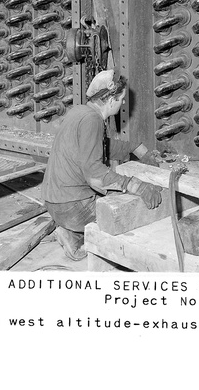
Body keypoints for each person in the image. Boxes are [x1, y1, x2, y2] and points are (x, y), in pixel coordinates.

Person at [41, 69, 162, 261]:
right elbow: (95, 175)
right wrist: (137, 186)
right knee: (131, 211)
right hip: (72, 208)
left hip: (54, 203)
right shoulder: (92, 120)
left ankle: (71, 234)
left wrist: (136, 148)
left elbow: (100, 146)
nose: (123, 103)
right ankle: (80, 234)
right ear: (111, 99)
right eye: (121, 98)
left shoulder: (80, 112)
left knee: (114, 194)